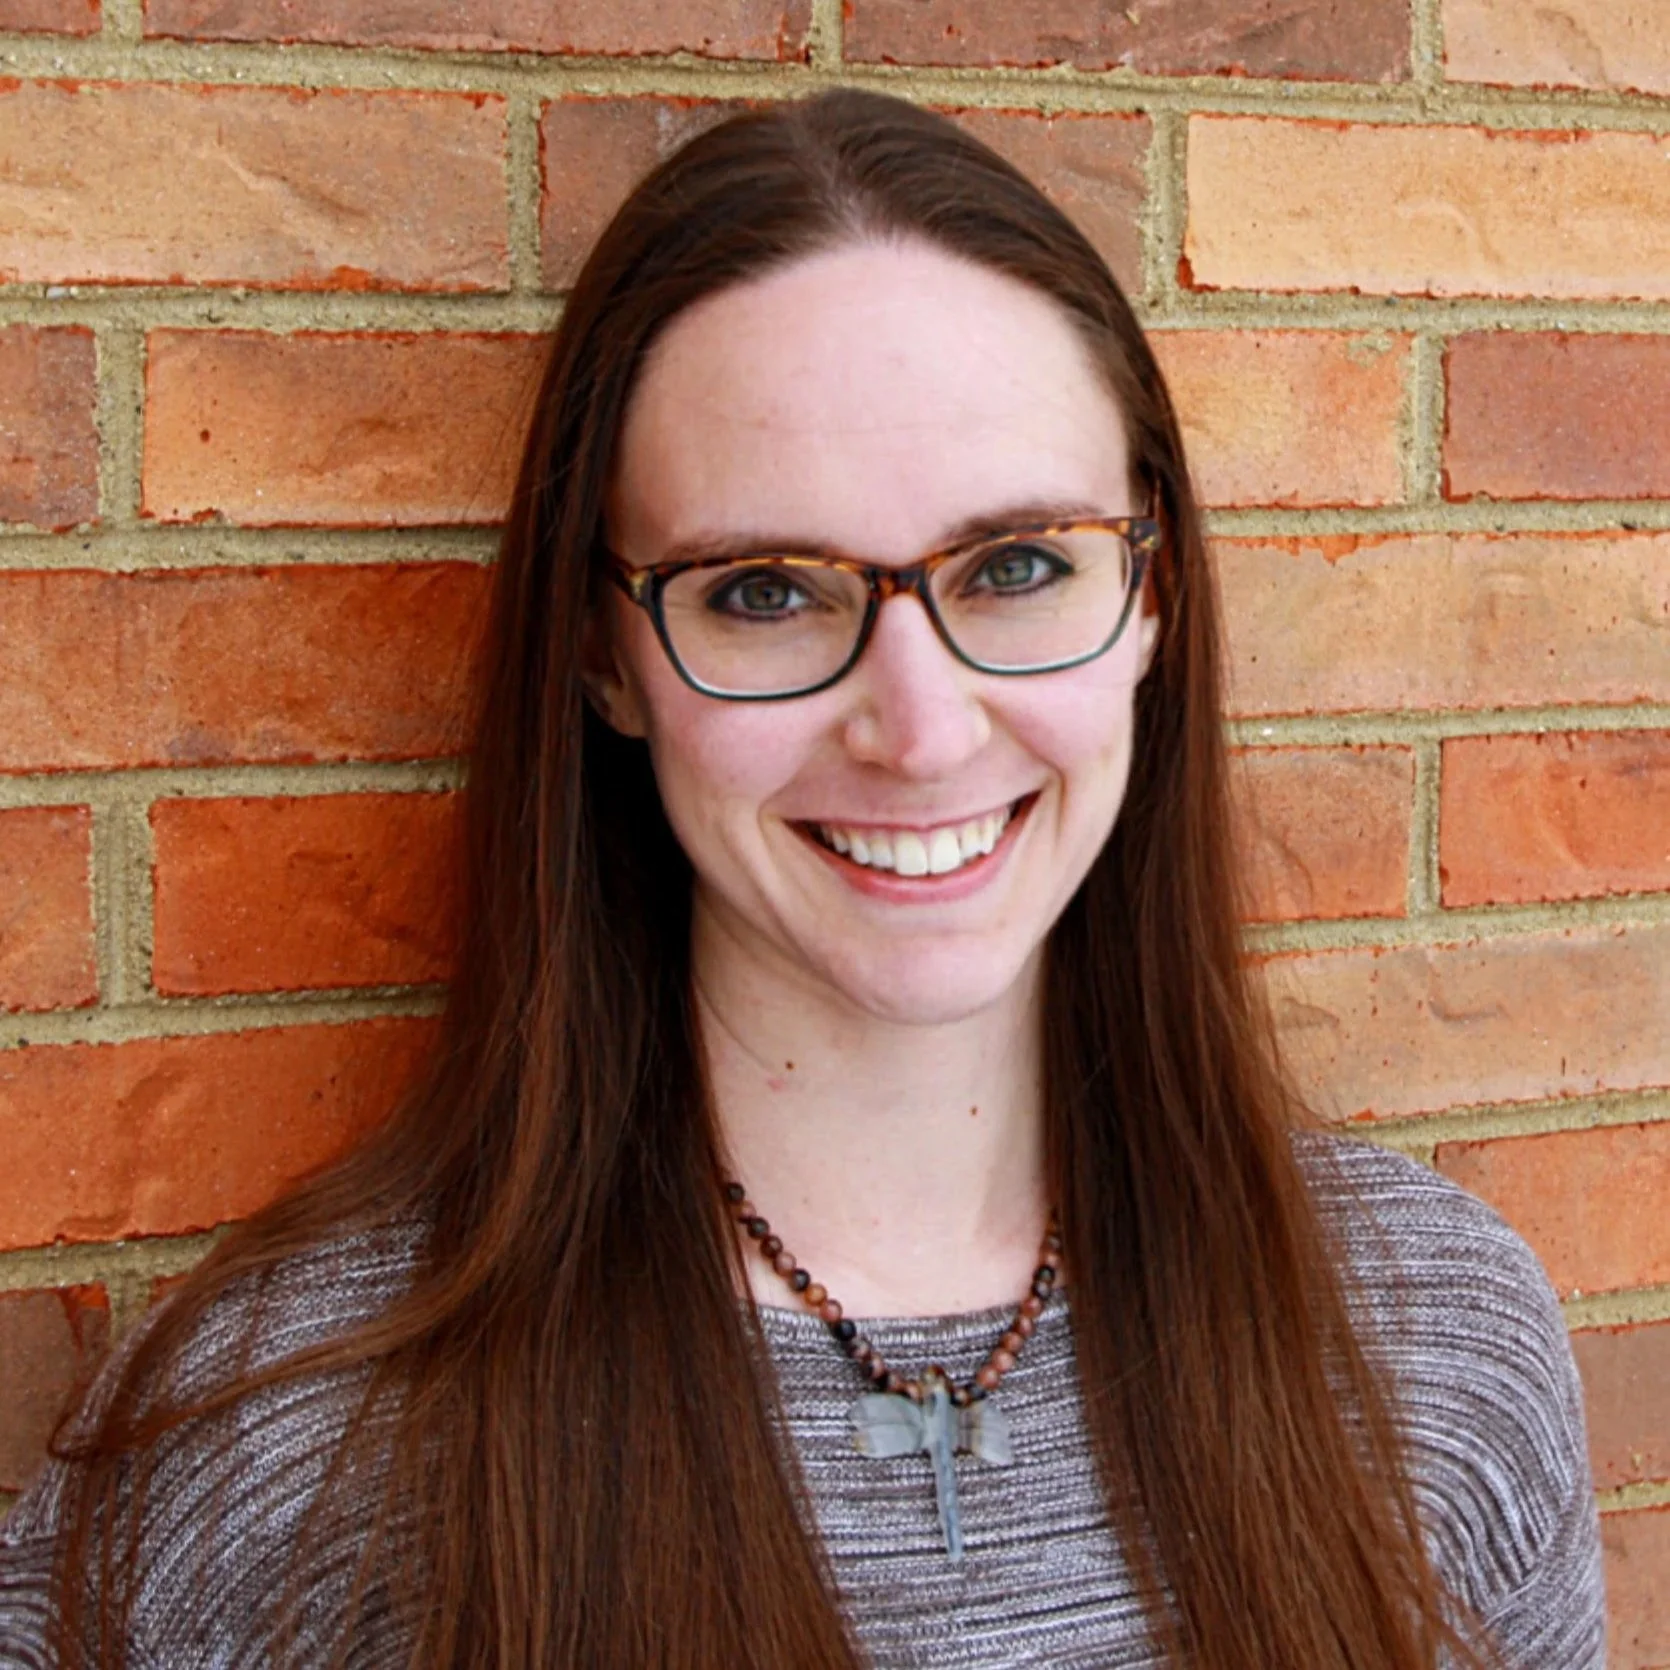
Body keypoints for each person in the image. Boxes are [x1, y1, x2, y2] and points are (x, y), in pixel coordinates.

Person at [0, 88, 1604, 1669]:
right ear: (604, 655)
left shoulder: (1432, 1336)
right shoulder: (300, 1438)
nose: (916, 725)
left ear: (1152, 599)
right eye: (764, 589)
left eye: (1019, 566)